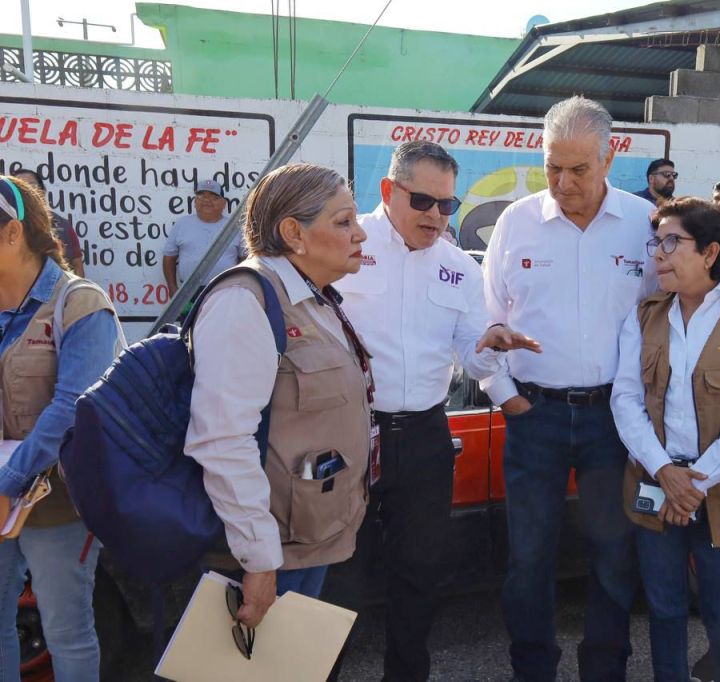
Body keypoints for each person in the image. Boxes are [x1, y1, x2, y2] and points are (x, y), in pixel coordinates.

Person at [334, 140, 539, 681]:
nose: (436, 216)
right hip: (348, 431)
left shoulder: (458, 268)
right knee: (338, 576)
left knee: (419, 574)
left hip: (425, 434)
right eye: (423, 201)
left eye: (447, 205)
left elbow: (472, 356)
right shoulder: (340, 245)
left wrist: (491, 341)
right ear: (388, 191)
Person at [482, 96, 655, 682]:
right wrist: (505, 393)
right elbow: (483, 320)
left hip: (615, 417)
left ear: (610, 159)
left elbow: (664, 315)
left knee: (613, 553)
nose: (563, 181)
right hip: (536, 416)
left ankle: (604, 671)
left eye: (578, 169)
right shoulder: (516, 222)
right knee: (528, 558)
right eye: (554, 166)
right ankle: (532, 671)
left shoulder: (643, 225)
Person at [611, 198, 720, 682]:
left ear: (711, 252)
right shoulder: (647, 315)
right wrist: (667, 473)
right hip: (657, 482)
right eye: (656, 243)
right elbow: (625, 399)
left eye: (672, 243)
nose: (658, 255)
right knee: (665, 610)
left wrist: (696, 483)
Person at [185, 163, 371, 627]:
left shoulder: (313, 299)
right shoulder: (244, 301)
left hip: (308, 538)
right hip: (269, 554)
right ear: (294, 232)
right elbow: (221, 440)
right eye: (344, 221)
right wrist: (259, 558)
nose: (361, 234)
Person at [0, 175, 121, 680]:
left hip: (58, 505)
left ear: (12, 234)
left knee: (67, 630)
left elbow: (73, 407)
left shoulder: (80, 304)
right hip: (1, 499)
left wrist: (8, 485)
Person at [162, 179, 245, 297]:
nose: (207, 201)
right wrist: (172, 287)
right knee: (190, 317)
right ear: (195, 202)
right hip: (187, 293)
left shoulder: (235, 227)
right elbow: (169, 258)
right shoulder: (182, 224)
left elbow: (245, 259)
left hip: (225, 292)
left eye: (214, 197)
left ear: (224, 203)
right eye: (201, 196)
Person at [13, 169, 84, 276]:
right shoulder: (6, 226)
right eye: (20, 188)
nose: (26, 191)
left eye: (32, 186)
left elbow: (77, 266)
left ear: (43, 191)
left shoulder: (62, 225)